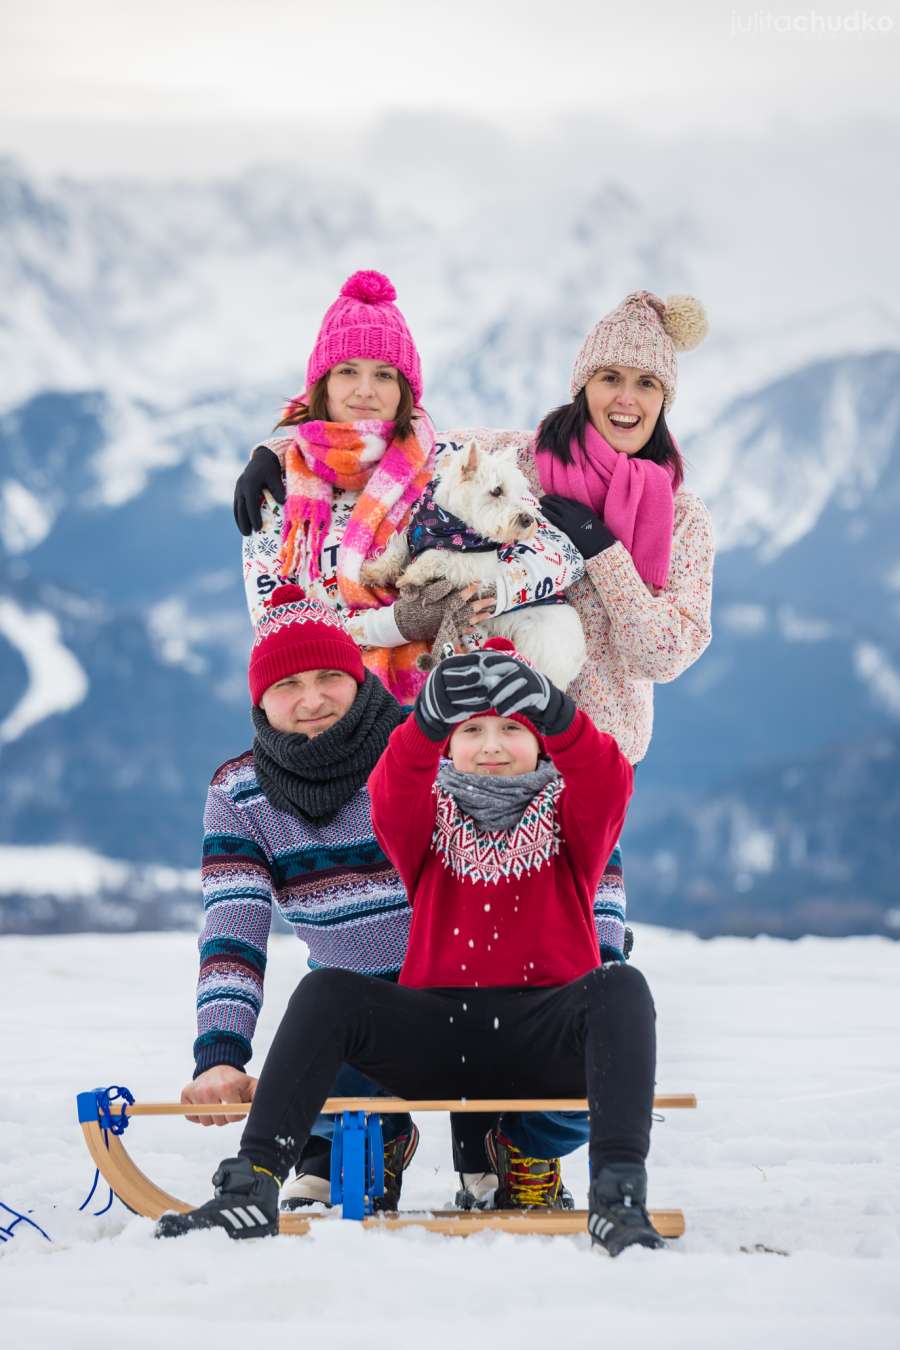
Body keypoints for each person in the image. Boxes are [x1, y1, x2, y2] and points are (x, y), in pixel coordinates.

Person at [157, 642, 664, 1258]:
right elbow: (394, 782)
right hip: (439, 1033)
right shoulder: (425, 823)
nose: (493, 745)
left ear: (542, 744)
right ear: (449, 745)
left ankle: (618, 1195)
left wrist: (557, 711)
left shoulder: (574, 821)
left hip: (544, 1033)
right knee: (327, 991)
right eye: (472, 730)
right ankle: (250, 1185)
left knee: (622, 986)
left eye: (513, 728)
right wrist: (424, 720)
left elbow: (608, 775)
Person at [235, 269, 584, 706]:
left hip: (466, 713)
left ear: (405, 389)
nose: (365, 390)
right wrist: (397, 624)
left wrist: (489, 594)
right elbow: (278, 630)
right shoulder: (281, 492)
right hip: (342, 716)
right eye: (348, 371)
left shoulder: (450, 462)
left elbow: (563, 557)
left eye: (384, 374)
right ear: (322, 384)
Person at [180, 582, 418, 1210]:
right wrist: (220, 1054)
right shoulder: (239, 793)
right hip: (351, 1007)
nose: (311, 701)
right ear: (261, 700)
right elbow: (233, 928)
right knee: (321, 1021)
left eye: (327, 678)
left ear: (357, 677)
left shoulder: (423, 748)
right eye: (287, 685)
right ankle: (347, 1141)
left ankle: (504, 1149)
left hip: (461, 985)